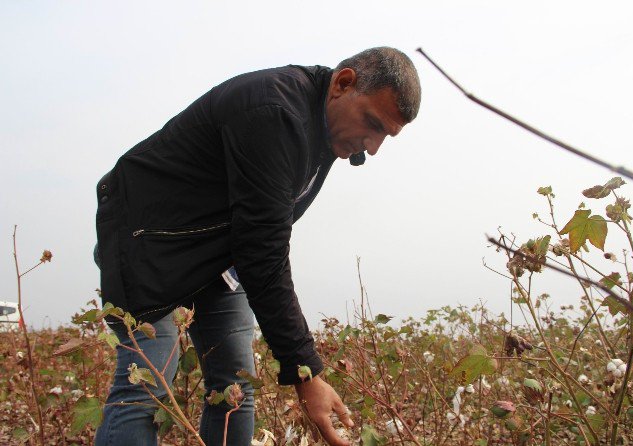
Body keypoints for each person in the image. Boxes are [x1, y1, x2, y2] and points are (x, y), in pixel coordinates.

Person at [93, 46, 421, 446]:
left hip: (220, 256)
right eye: (372, 124)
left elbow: (258, 235)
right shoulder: (273, 110)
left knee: (234, 392)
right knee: (147, 390)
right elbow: (263, 249)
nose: (372, 147)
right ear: (343, 83)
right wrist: (307, 373)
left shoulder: (328, 128)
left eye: (384, 136)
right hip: (148, 240)